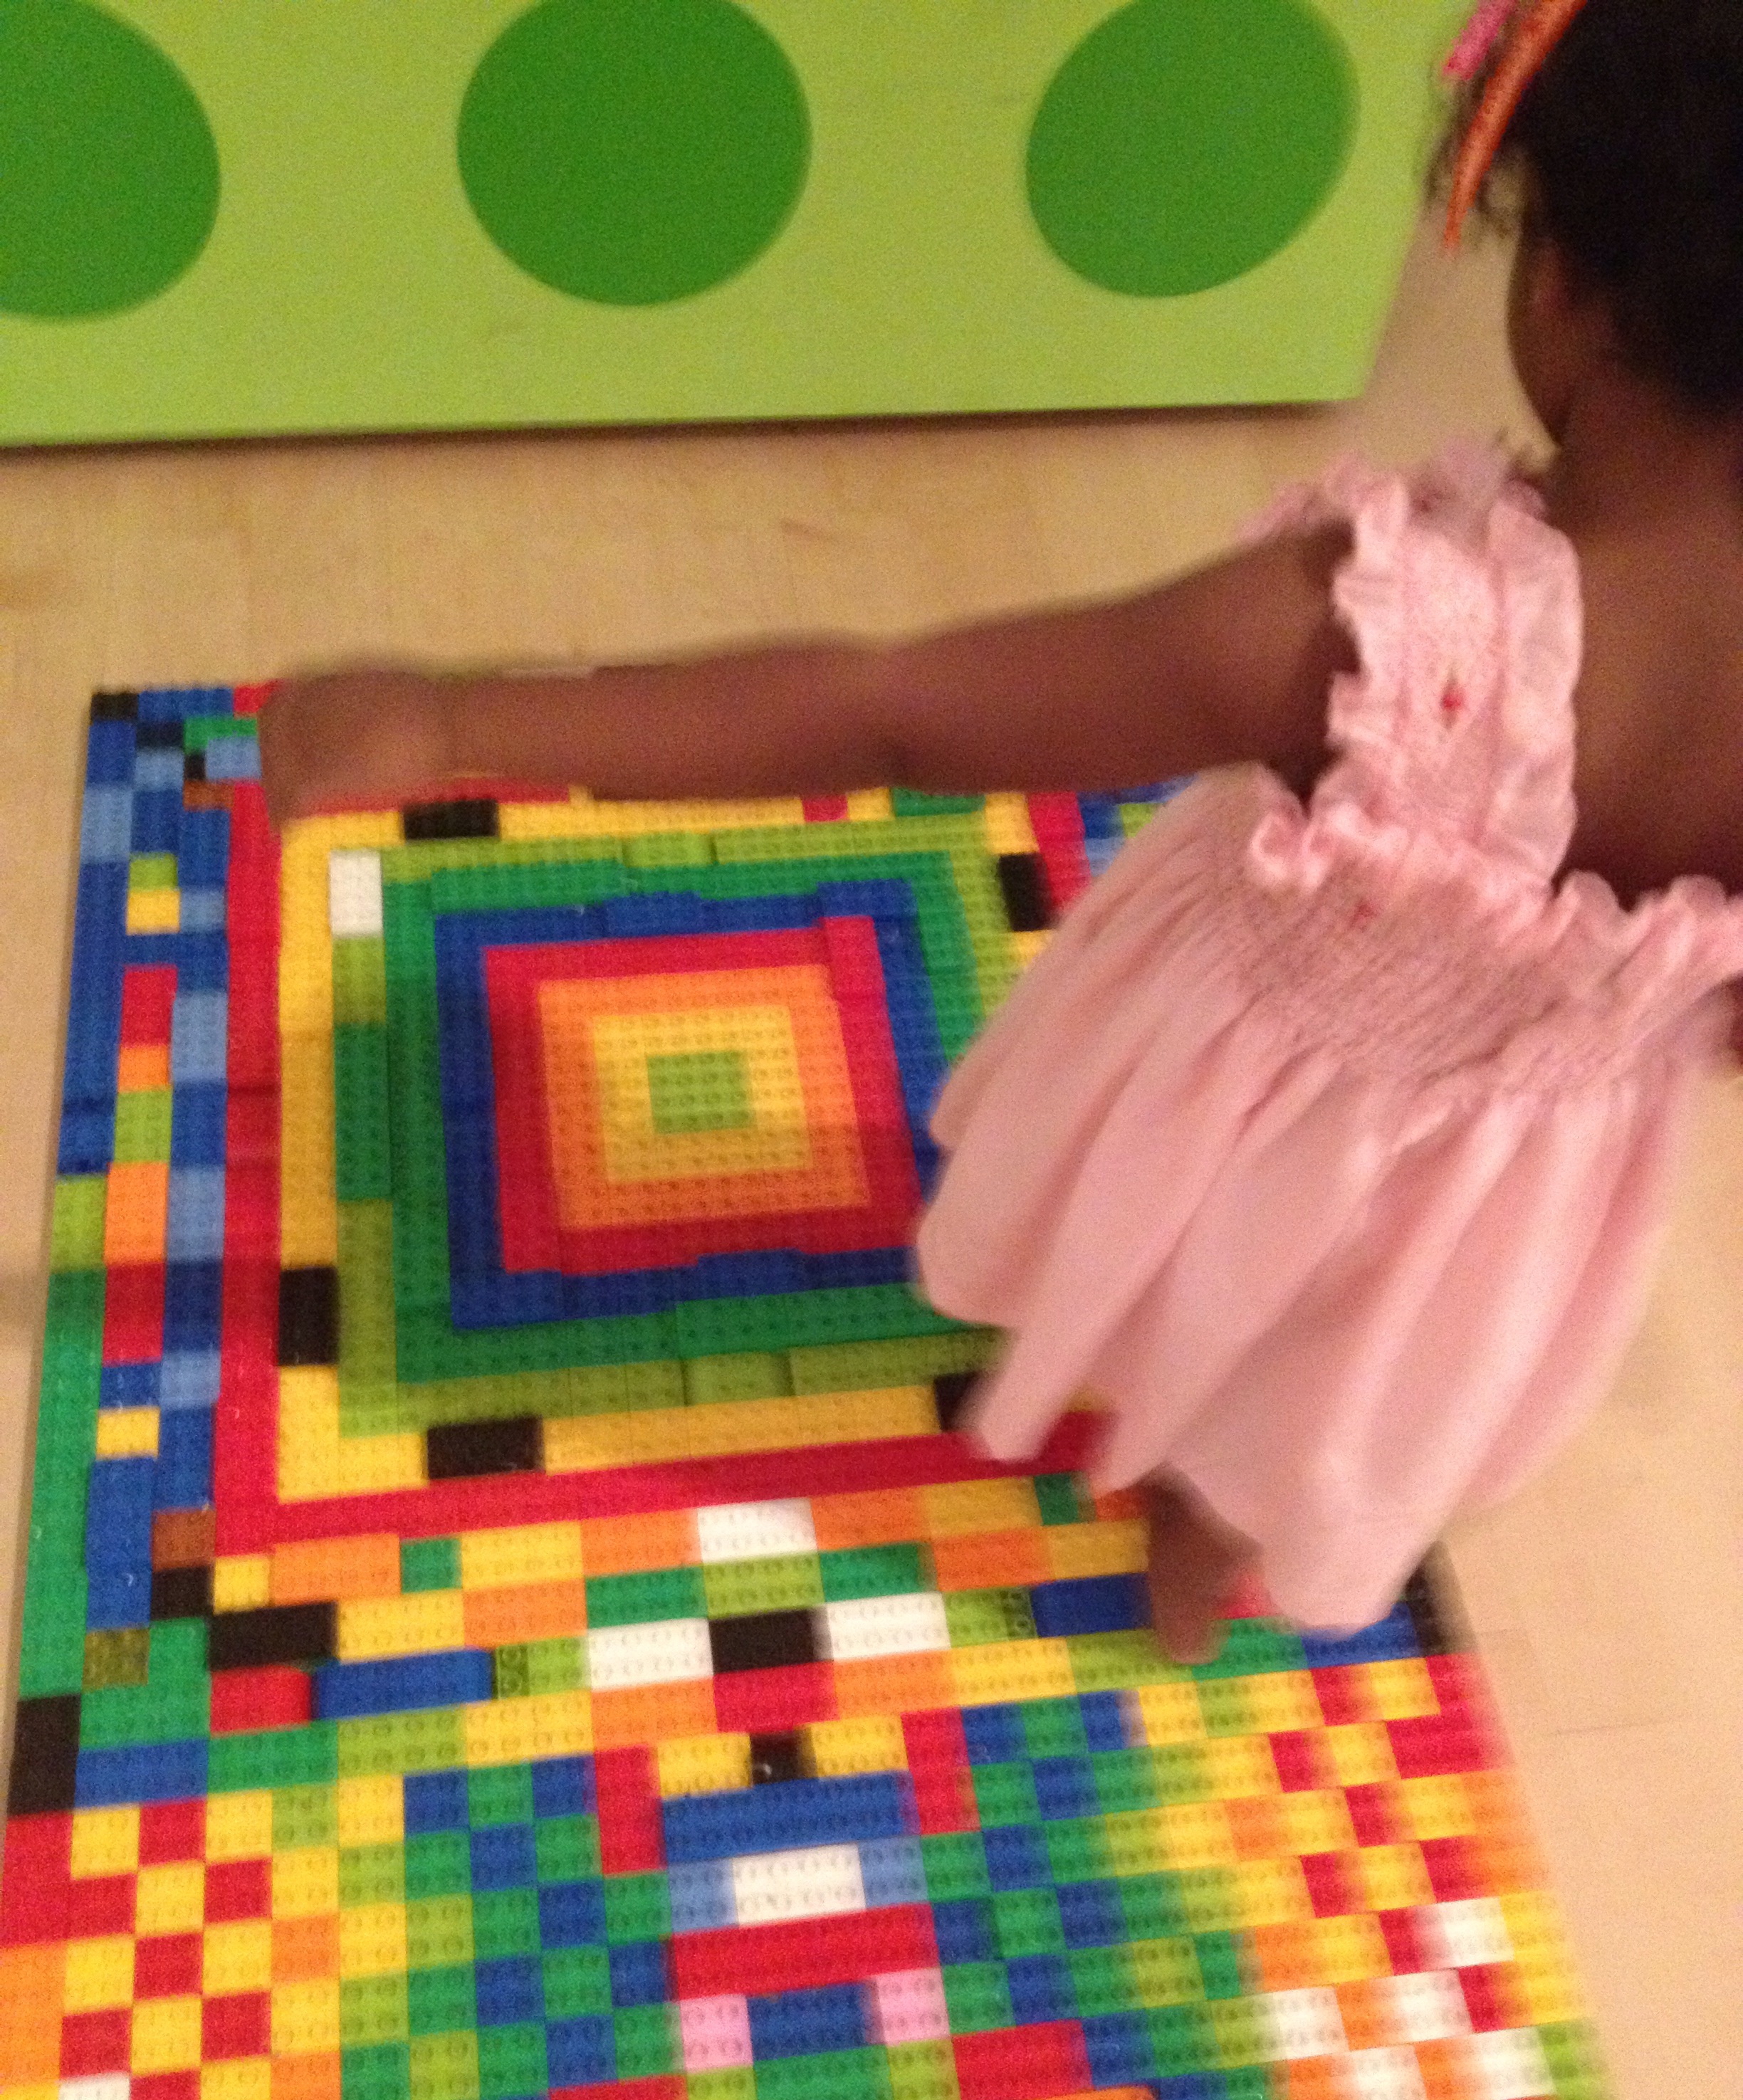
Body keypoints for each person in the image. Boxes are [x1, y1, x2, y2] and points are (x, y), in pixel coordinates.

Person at [260, 0, 1743, 1661]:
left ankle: (1153, 1452)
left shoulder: (1387, 634)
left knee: (1187, 1294)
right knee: (1319, 1412)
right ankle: (1203, 1578)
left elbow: (884, 709)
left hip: (1230, 1142)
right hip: (1500, 1227)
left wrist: (461, 722)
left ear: (1567, 289)